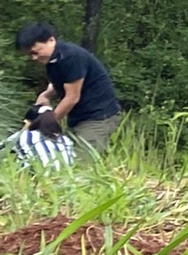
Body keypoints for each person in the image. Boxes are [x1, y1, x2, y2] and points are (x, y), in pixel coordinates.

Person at [15, 23, 122, 156]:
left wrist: (48, 122)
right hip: (78, 118)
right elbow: (61, 82)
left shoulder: (71, 57)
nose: (34, 58)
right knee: (64, 158)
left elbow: (72, 97)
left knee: (82, 167)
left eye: (36, 52)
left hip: (98, 117)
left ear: (51, 40)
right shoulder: (53, 60)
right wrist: (45, 95)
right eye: (30, 55)